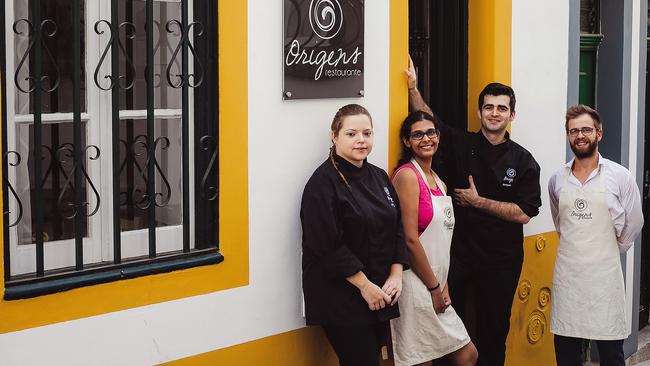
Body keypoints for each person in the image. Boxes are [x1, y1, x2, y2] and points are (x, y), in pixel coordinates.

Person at [406, 58, 542, 366]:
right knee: (444, 323)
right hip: (458, 256)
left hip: (501, 260)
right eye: (489, 107)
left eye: (502, 108)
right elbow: (429, 120)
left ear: (512, 115)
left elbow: (524, 213)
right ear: (480, 112)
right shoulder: (459, 142)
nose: (495, 113)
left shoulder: (523, 161)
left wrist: (479, 202)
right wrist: (413, 87)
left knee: (494, 331)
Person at [300, 104, 410, 366]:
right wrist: (365, 287)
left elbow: (396, 226)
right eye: (351, 134)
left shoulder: (380, 177)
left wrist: (396, 274)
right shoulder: (321, 184)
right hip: (341, 296)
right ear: (334, 136)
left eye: (367, 133)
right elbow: (327, 246)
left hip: (379, 290)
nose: (361, 140)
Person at [548, 104, 644, 366]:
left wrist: (613, 250)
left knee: (611, 354)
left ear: (599, 134)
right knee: (566, 354)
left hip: (604, 281)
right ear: (568, 135)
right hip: (568, 280)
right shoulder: (557, 179)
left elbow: (635, 222)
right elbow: (561, 224)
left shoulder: (620, 177)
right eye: (574, 131)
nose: (580, 135)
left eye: (586, 130)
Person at [390, 111, 478, 366]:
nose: (426, 139)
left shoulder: (439, 182)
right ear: (407, 142)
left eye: (431, 132)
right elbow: (410, 240)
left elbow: (442, 240)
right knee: (423, 360)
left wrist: (444, 282)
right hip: (415, 281)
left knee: (466, 354)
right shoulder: (407, 176)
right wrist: (433, 287)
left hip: (437, 279)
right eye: (417, 134)